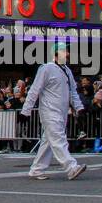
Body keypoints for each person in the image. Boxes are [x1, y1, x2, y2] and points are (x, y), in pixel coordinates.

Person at [20, 46, 86, 180]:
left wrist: (80, 108)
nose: (67, 54)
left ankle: (36, 169)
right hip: (49, 111)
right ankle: (71, 167)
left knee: (48, 141)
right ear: (56, 54)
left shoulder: (67, 71)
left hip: (62, 112)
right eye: (64, 51)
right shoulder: (46, 68)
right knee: (58, 139)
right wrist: (25, 111)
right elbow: (35, 90)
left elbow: (72, 92)